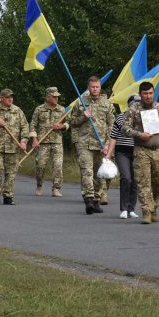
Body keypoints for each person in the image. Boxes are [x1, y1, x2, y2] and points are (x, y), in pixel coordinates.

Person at [121, 81, 159, 224]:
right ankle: (146, 211)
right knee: (143, 182)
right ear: (140, 94)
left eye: (150, 93)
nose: (148, 96)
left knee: (158, 181)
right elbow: (124, 128)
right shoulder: (134, 109)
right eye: (145, 94)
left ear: (153, 93)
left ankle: (154, 205)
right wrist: (138, 134)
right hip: (141, 150)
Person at [68, 76, 116, 214]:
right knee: (87, 171)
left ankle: (96, 200)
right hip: (85, 144)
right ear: (88, 88)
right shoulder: (81, 103)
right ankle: (88, 199)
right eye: (92, 87)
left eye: (97, 87)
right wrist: (84, 116)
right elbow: (72, 121)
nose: (95, 89)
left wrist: (108, 145)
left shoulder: (107, 104)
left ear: (100, 88)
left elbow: (112, 126)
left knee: (99, 174)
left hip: (101, 145)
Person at [0, 88, 28, 205]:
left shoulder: (17, 111)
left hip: (13, 147)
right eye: (8, 97)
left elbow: (24, 127)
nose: (10, 99)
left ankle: (8, 196)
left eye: (11, 97)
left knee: (11, 173)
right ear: (2, 98)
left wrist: (23, 141)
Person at [29, 87, 69, 197]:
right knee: (40, 166)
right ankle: (39, 185)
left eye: (57, 96)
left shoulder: (62, 110)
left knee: (58, 166)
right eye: (54, 96)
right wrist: (34, 139)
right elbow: (32, 125)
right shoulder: (39, 109)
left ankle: (56, 188)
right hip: (42, 142)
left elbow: (68, 123)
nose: (57, 98)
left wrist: (61, 126)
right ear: (48, 97)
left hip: (57, 142)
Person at [108, 95, 140, 219]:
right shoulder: (121, 117)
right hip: (122, 152)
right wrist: (109, 154)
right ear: (129, 105)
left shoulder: (144, 118)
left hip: (137, 151)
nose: (137, 106)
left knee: (135, 179)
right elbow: (113, 137)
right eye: (134, 103)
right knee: (126, 178)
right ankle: (124, 208)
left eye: (139, 103)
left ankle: (131, 209)